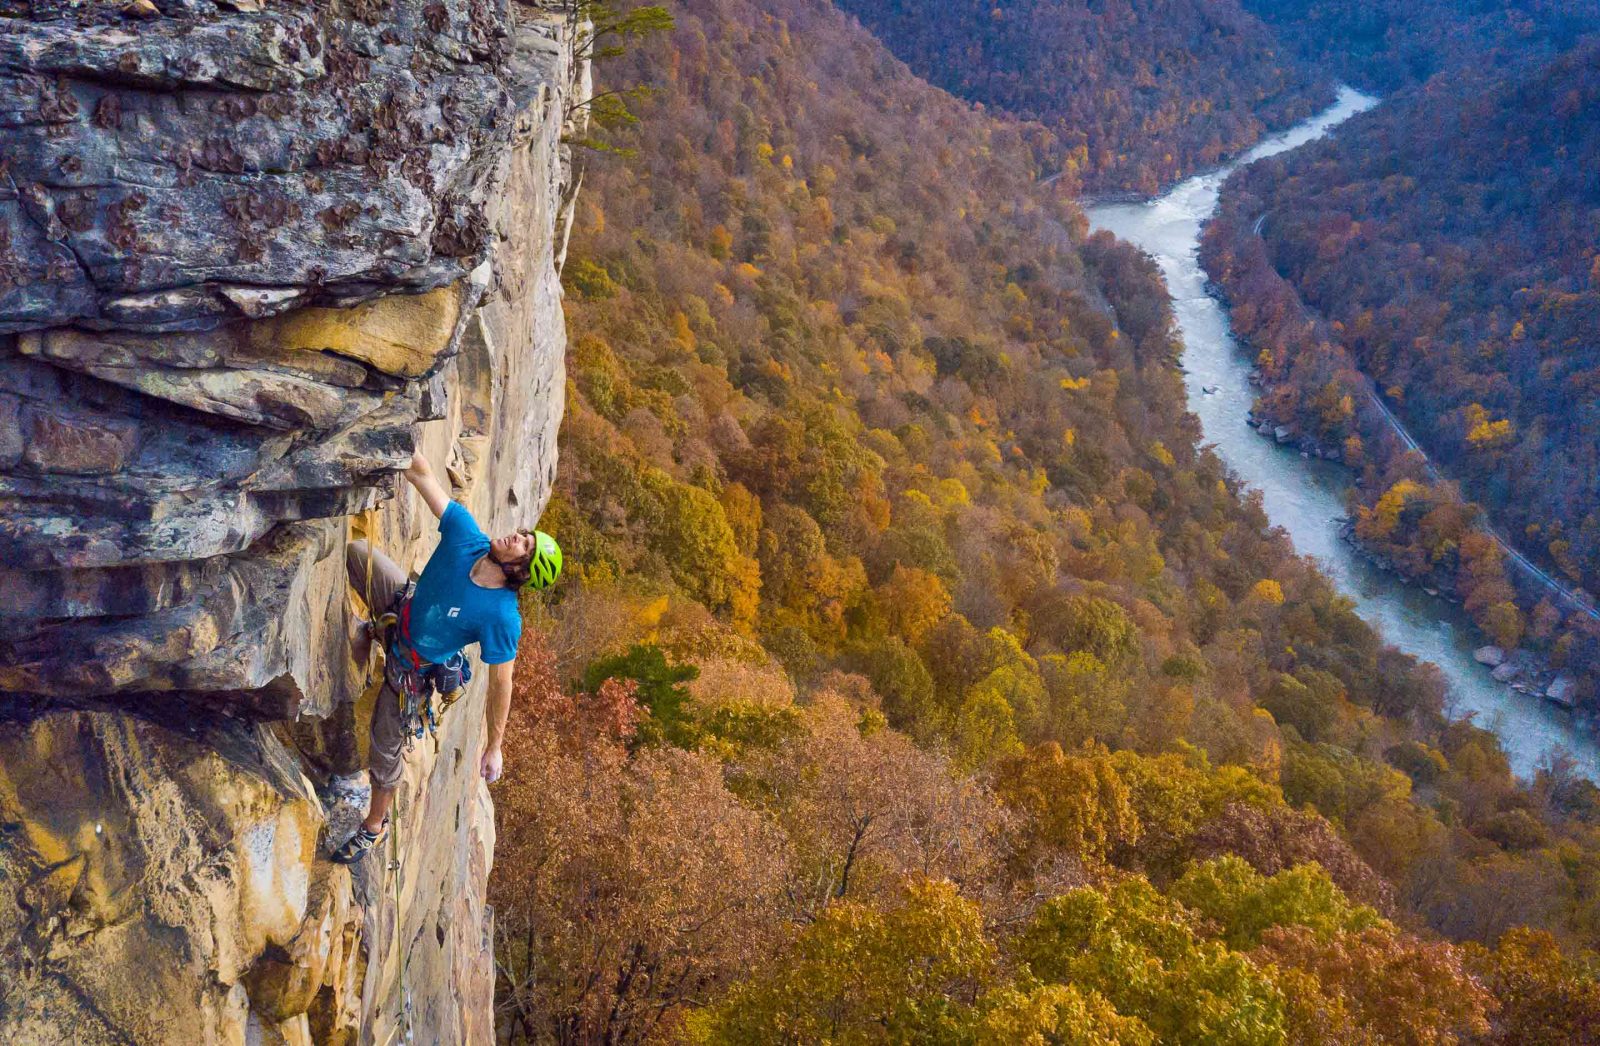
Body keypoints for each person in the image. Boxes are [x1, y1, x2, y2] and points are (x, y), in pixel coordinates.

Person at [331, 448, 562, 864]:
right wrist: (398, 437)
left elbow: (501, 681)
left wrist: (495, 747)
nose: (514, 537)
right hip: (401, 608)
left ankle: (374, 828)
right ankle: (372, 630)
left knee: (384, 752)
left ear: (520, 573)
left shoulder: (501, 617)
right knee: (356, 556)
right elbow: (424, 478)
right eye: (523, 535)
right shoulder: (466, 536)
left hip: (412, 669)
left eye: (522, 547)